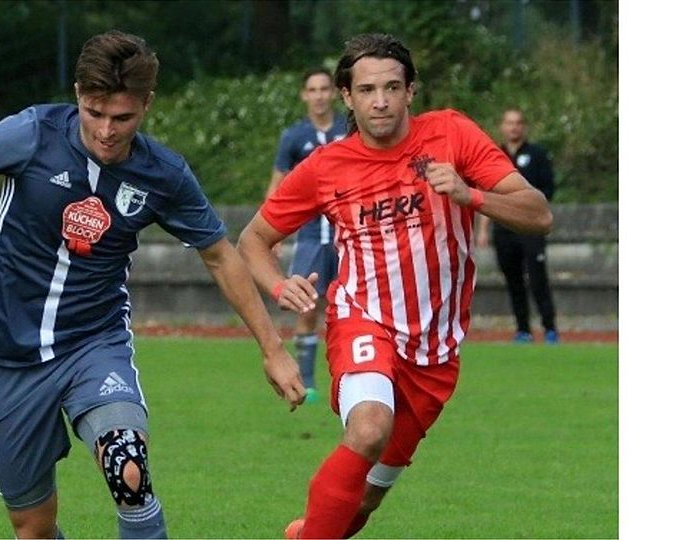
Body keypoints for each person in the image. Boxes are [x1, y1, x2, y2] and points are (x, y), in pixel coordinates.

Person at [0, 30, 305, 539]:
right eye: (95, 113)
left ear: (147, 104)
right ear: (77, 94)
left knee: (128, 467)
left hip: (93, 344)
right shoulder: (31, 133)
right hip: (9, 356)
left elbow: (220, 256)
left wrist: (273, 349)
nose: (107, 131)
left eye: (123, 117)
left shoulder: (162, 174)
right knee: (33, 527)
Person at [237, 33, 552, 539]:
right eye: (366, 90)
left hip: (436, 350)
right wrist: (279, 286)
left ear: (410, 91)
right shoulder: (327, 166)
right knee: (368, 428)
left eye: (391, 87)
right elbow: (253, 240)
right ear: (347, 96)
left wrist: (470, 195)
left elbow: (537, 213)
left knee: (364, 501)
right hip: (363, 319)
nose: (380, 101)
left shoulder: (451, 134)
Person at [265, 68, 348, 404]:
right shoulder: (294, 136)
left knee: (349, 309)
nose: (319, 95)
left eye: (324, 88)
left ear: (335, 93)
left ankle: (348, 378)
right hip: (311, 236)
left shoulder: (349, 129)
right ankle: (308, 382)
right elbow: (278, 184)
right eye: (312, 89)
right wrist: (272, 235)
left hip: (348, 234)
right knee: (306, 306)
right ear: (304, 95)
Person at [476, 108, 559, 344]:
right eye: (509, 123)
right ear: (502, 126)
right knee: (513, 280)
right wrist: (483, 230)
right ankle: (523, 330)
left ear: (524, 126)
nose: (514, 127)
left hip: (530, 228)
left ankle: (550, 328)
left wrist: (526, 207)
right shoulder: (494, 155)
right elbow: (486, 195)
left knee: (537, 278)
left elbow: (547, 191)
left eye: (518, 123)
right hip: (503, 229)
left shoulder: (537, 155)